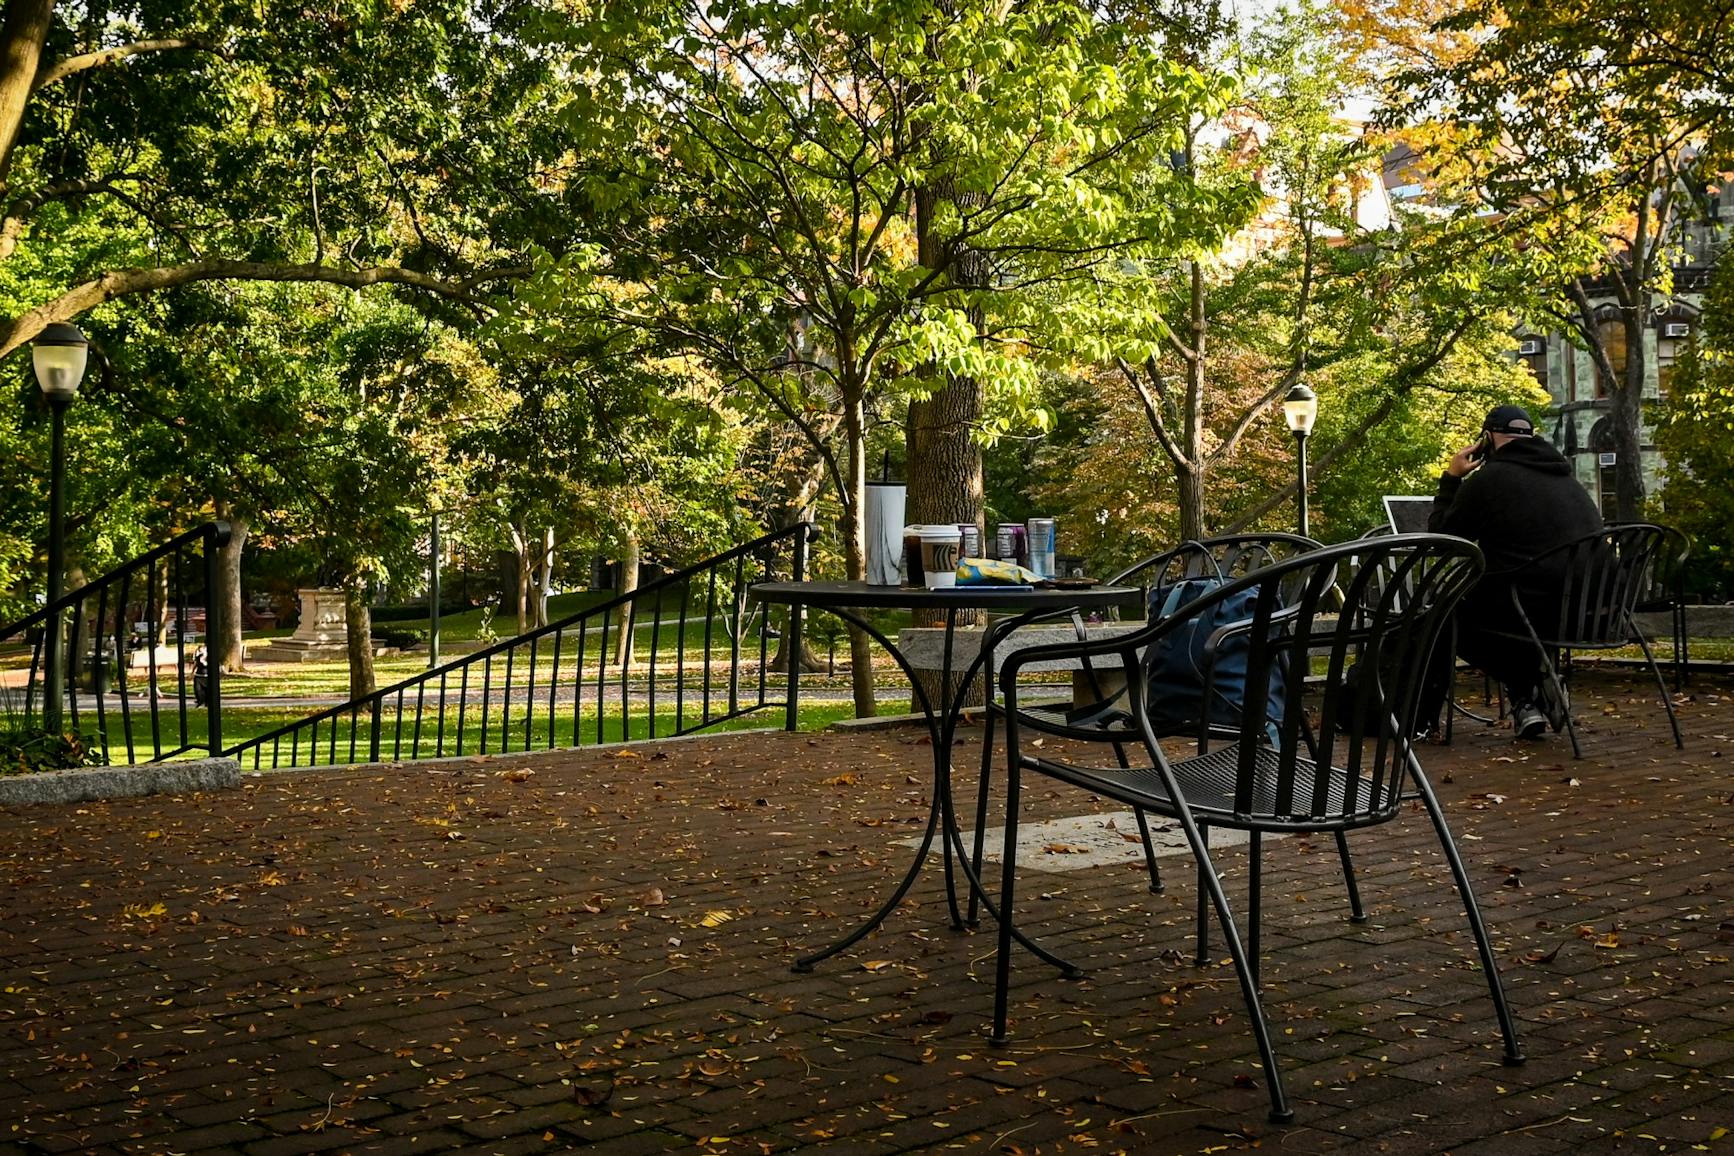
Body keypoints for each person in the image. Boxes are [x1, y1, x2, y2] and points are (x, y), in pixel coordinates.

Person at [1423, 404, 1603, 739]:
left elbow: (1444, 541)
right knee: (1500, 604)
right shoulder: (1568, 480)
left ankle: (1529, 688)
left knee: (1445, 618)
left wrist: (1450, 478)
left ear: (1486, 439)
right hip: (1593, 611)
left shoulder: (1488, 481)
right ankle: (1527, 702)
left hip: (1532, 609)